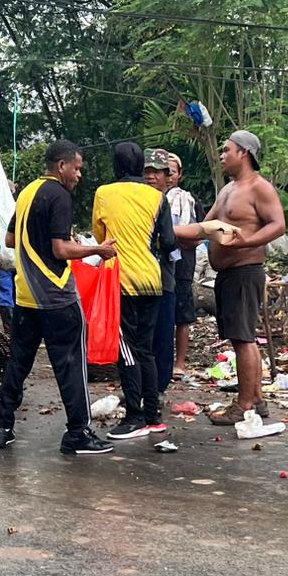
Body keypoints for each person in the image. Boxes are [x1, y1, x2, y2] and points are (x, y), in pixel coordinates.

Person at [0, 140, 118, 455]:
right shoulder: (58, 195)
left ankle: (2, 427)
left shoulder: (27, 192)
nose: (78, 175)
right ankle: (77, 433)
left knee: (18, 363)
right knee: (71, 365)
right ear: (61, 166)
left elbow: (10, 238)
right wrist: (97, 249)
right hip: (57, 296)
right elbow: (60, 250)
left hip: (25, 296)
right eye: (76, 168)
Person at [197, 130, 286, 425]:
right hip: (227, 273)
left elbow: (278, 225)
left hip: (245, 270)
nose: (222, 155)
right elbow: (206, 226)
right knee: (240, 339)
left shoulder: (259, 187)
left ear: (243, 153)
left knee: (243, 338)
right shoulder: (228, 190)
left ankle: (244, 403)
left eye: (227, 150)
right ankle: (256, 398)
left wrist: (246, 242)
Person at [92, 143, 176, 439]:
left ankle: (135, 417)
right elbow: (168, 242)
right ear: (141, 166)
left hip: (121, 282)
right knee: (145, 350)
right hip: (152, 281)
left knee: (126, 351)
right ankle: (153, 416)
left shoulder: (103, 193)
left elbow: (101, 238)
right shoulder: (157, 197)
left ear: (116, 167)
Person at [143, 148, 179, 394]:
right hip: (143, 279)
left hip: (164, 276)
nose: (151, 176)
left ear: (169, 176)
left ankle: (157, 388)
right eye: (147, 171)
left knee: (162, 336)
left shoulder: (171, 200)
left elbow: (169, 242)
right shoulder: (142, 200)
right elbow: (169, 240)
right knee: (147, 337)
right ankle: (147, 388)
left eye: (156, 171)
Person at [164, 151, 199, 378]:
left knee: (182, 314)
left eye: (172, 172)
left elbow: (197, 236)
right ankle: (163, 360)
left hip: (182, 264)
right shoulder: (150, 199)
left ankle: (180, 363)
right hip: (159, 265)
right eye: (163, 171)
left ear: (180, 175)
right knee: (163, 312)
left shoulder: (186, 200)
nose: (168, 177)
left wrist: (171, 237)